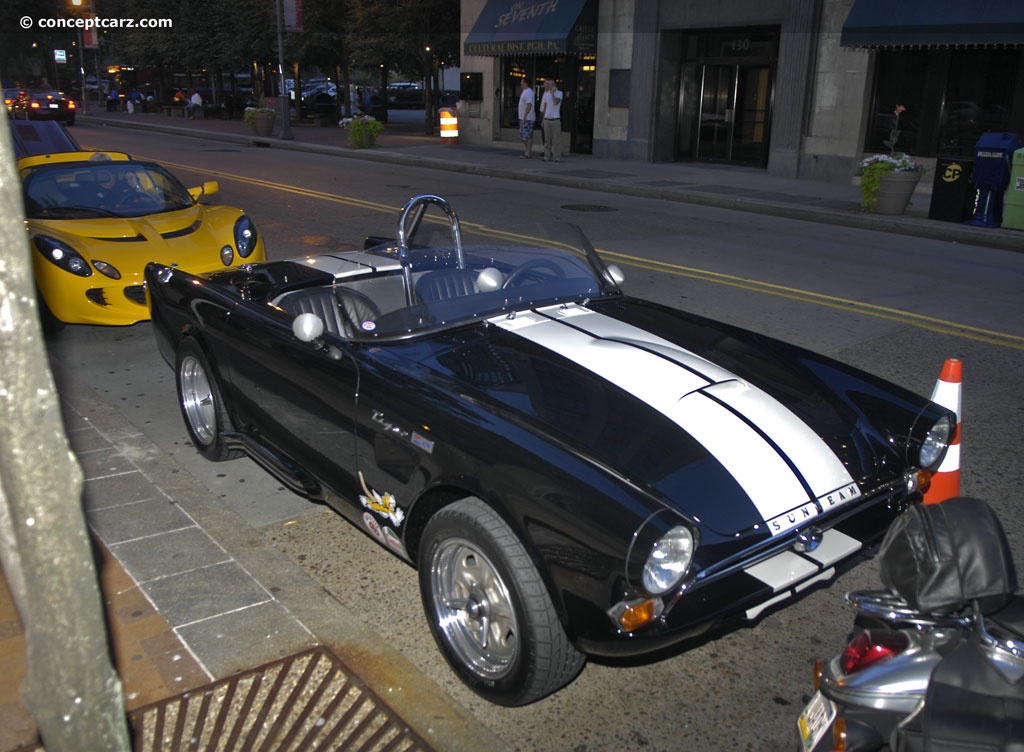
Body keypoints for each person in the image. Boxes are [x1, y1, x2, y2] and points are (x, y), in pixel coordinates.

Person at [539, 79, 563, 163]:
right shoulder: (546, 94)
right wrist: (543, 119)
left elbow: (555, 102)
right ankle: (547, 156)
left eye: (551, 84)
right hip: (547, 119)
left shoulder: (559, 93)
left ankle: (556, 157)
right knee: (547, 139)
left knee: (556, 140)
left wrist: (552, 94)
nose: (549, 86)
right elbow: (545, 107)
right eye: (548, 84)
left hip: (555, 119)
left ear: (554, 85)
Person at [517, 78, 535, 159]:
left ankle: (527, 152)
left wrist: (525, 115)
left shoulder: (529, 92)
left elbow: (529, 104)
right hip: (523, 117)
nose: (520, 83)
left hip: (527, 118)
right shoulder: (525, 92)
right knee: (525, 135)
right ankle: (528, 152)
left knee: (525, 136)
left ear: (525, 83)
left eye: (522, 81)